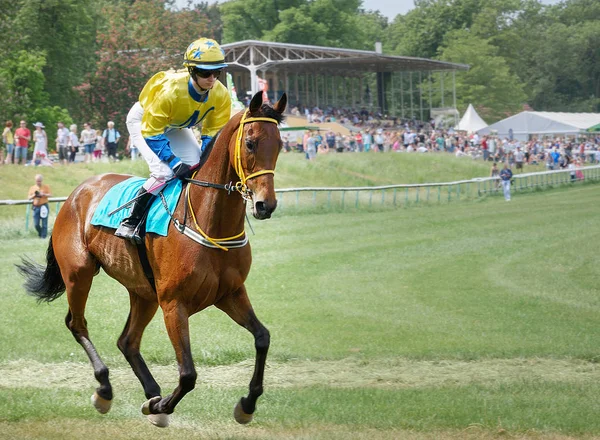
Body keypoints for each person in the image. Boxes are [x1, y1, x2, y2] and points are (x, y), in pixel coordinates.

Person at [115, 37, 231, 243]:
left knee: (198, 166)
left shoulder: (221, 94)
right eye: (205, 72)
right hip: (144, 122)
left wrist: (205, 158)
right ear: (192, 71)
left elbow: (212, 132)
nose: (212, 78)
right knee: (164, 172)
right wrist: (175, 162)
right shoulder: (171, 91)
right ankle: (131, 221)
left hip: (175, 126)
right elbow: (151, 131)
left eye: (217, 72)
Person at [27, 174, 52, 238]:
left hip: (44, 206)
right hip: (36, 207)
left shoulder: (46, 187)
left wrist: (43, 194)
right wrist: (34, 195)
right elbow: (29, 197)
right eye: (37, 181)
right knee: (36, 224)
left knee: (44, 223)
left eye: (39, 181)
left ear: (42, 180)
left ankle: (43, 236)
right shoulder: (32, 188)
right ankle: (40, 233)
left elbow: (50, 195)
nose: (38, 182)